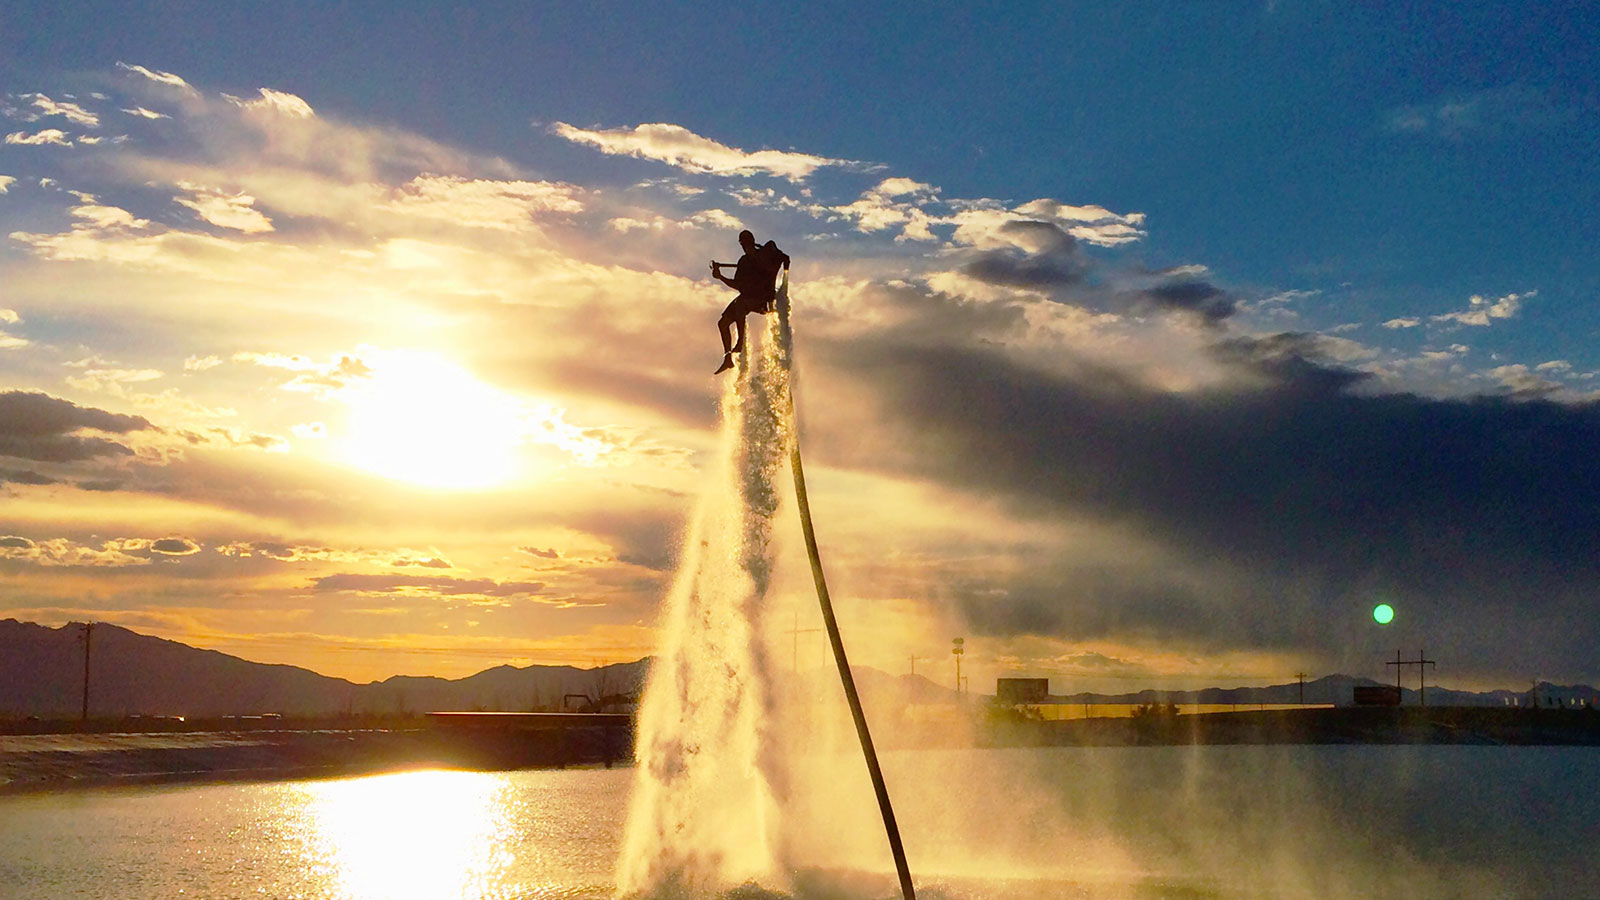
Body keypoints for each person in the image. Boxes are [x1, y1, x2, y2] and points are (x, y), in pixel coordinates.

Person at [710, 230, 790, 373]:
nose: (744, 246)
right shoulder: (744, 262)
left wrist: (783, 277)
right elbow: (738, 285)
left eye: (746, 242)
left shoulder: (766, 252)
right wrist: (720, 277)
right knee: (723, 323)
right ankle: (728, 357)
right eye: (742, 243)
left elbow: (784, 258)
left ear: (752, 241)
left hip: (765, 300)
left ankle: (740, 342)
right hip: (749, 298)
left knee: (741, 305)